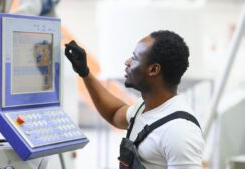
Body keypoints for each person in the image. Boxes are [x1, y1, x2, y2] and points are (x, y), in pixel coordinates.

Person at [64, 30, 204, 169]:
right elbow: (115, 113)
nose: (127, 62)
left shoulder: (179, 132)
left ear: (153, 70)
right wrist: (85, 73)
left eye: (135, 58)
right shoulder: (144, 108)